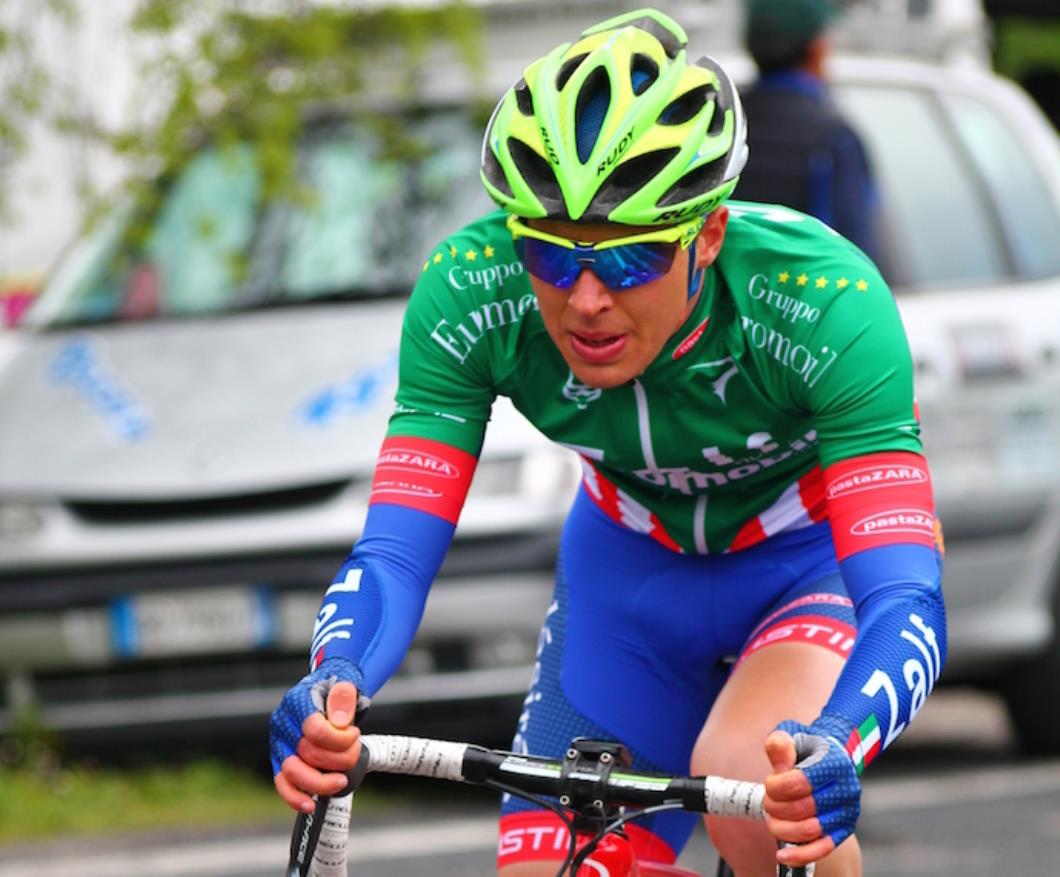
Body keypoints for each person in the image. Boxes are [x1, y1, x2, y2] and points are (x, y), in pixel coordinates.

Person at [269, 8, 945, 875]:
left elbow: (906, 600)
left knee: (756, 783)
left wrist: (836, 744)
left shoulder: (820, 301)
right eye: (552, 257)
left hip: (805, 564)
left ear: (706, 233)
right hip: (630, 575)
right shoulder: (470, 297)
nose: (585, 297)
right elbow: (395, 554)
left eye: (628, 260)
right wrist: (334, 677)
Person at [737, 0, 882, 264]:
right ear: (817, 49)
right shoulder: (834, 138)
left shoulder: (719, 121)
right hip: (809, 302)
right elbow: (856, 262)